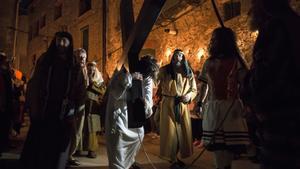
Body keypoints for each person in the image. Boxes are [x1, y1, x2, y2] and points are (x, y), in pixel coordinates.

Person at [242, 0, 300, 169]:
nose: (250, 11)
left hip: (283, 125)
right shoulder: (294, 23)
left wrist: (246, 83)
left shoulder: (276, 28)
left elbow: (264, 81)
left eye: (254, 3)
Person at [20, 31, 86, 169]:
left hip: (64, 111)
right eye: (58, 40)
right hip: (45, 108)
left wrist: (77, 106)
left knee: (59, 147)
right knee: (41, 145)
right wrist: (33, 105)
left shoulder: (74, 64)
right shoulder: (45, 60)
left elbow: (80, 87)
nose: (61, 44)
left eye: (64, 41)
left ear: (70, 43)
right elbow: (35, 83)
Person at [199, 27, 249, 169]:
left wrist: (247, 104)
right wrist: (199, 103)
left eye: (215, 39)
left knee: (228, 149)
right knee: (218, 149)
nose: (213, 41)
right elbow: (204, 86)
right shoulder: (208, 62)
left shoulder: (236, 61)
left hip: (231, 108)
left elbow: (245, 84)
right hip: (213, 108)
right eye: (212, 39)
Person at [105, 55, 159, 169]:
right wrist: (130, 79)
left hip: (134, 114)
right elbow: (115, 92)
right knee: (118, 141)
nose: (146, 77)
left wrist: (146, 105)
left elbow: (148, 94)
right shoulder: (122, 73)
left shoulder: (147, 78)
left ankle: (128, 163)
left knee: (139, 133)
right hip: (119, 112)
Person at [157, 49, 197, 169]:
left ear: (183, 57)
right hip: (168, 104)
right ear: (173, 56)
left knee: (182, 133)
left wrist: (189, 96)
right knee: (170, 133)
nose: (179, 56)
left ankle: (177, 157)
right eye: (177, 54)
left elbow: (193, 89)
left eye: (181, 55)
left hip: (182, 105)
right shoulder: (165, 70)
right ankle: (172, 159)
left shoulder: (188, 71)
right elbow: (155, 80)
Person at [68, 48, 89, 166]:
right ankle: (67, 155)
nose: (82, 59)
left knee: (78, 131)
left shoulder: (84, 69)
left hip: (82, 104)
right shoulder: (73, 69)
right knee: (72, 131)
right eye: (80, 57)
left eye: (84, 57)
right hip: (73, 104)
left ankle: (70, 154)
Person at [83, 61, 106, 158]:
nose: (91, 72)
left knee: (92, 128)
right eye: (89, 70)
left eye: (93, 70)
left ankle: (92, 150)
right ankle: (80, 148)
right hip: (83, 106)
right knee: (82, 128)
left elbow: (103, 91)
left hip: (94, 107)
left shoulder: (99, 80)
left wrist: (93, 84)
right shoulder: (83, 78)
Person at [0, 51, 13, 157]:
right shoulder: (3, 72)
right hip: (3, 104)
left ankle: (4, 143)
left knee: (5, 125)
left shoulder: (6, 72)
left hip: (6, 103)